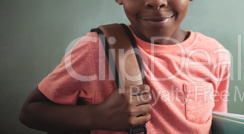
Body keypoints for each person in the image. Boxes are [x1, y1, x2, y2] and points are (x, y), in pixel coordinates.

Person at [19, 0, 230, 133]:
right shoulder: (95, 49)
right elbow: (30, 112)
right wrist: (97, 116)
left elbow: (218, 123)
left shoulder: (215, 54)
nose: (156, 2)